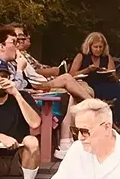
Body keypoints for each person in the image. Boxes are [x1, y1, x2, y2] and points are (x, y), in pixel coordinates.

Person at [11, 23, 94, 159]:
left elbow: (33, 74)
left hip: (39, 83)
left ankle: (71, 139)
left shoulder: (21, 55)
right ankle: (97, 108)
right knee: (68, 80)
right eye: (17, 37)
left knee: (80, 89)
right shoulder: (11, 58)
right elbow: (23, 82)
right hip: (37, 86)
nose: (21, 40)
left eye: (21, 37)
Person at [69, 32, 120, 124]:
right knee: (94, 91)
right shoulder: (81, 56)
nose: (98, 49)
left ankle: (115, 119)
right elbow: (71, 74)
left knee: (119, 91)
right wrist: (87, 70)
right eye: (95, 47)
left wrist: (111, 74)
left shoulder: (107, 57)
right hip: (87, 84)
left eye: (100, 47)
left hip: (104, 82)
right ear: (90, 46)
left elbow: (114, 74)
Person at [0, 26, 29, 91]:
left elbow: (21, 85)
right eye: (13, 42)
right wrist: (19, 70)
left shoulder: (9, 64)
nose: (17, 45)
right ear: (2, 46)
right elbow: (11, 89)